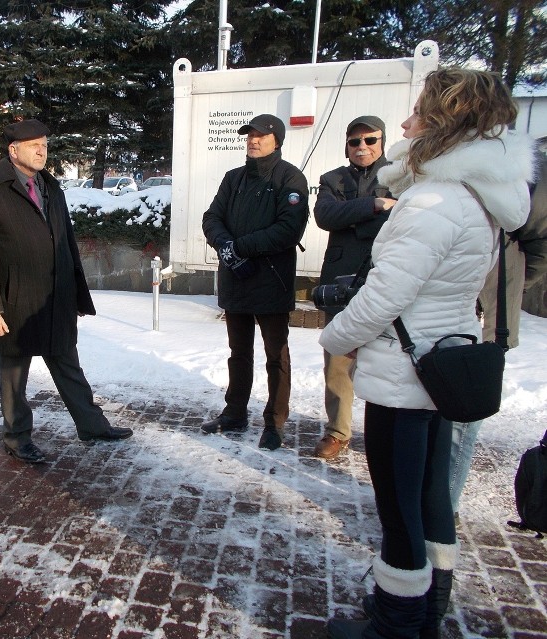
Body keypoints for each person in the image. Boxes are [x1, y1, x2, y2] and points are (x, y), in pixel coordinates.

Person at [320, 68, 532, 639]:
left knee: (399, 510)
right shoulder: (478, 197)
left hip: (403, 376)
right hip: (439, 367)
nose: (405, 124)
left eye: (418, 112)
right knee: (431, 499)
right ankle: (429, 606)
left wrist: (334, 338)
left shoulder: (433, 200)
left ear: (443, 122)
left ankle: (397, 622)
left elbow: (385, 296)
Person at [0, 119, 133, 464]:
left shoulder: (50, 188)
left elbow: (66, 243)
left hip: (54, 298)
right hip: (15, 303)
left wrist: (76, 294)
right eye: (34, 145)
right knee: (14, 377)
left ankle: (92, 425)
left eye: (44, 144)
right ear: (13, 151)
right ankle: (16, 437)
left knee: (69, 365)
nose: (42, 150)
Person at [201, 114, 309, 450]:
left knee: (276, 355)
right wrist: (225, 245)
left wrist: (240, 247)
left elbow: (288, 230)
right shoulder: (233, 178)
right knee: (239, 352)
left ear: (277, 139)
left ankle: (275, 422)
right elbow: (211, 217)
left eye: (261, 135)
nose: (253, 140)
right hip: (236, 279)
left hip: (271, 281)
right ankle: (235, 412)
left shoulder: (290, 177)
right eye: (249, 135)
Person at [448, 153, 547, 514]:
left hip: (493, 305)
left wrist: (509, 287)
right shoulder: (440, 160)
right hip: (447, 297)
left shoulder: (523, 165)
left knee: (465, 409)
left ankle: (444, 505)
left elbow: (539, 240)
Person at [313, 116, 396, 460]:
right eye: (354, 141)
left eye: (370, 140)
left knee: (389, 361)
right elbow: (325, 217)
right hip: (341, 280)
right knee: (338, 362)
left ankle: (387, 434)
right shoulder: (332, 179)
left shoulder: (400, 175)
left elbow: (403, 216)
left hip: (385, 279)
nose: (362, 147)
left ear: (382, 141)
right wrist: (374, 206)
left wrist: (352, 216)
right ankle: (338, 431)